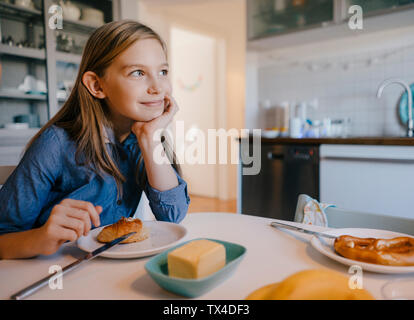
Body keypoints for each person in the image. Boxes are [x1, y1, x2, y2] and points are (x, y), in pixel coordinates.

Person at [0, 20, 190, 259]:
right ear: (97, 85)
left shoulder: (143, 136)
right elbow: (3, 237)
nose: (157, 87)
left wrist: (150, 138)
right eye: (138, 73)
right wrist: (41, 238)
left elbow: (173, 215)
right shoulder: (56, 144)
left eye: (162, 72)